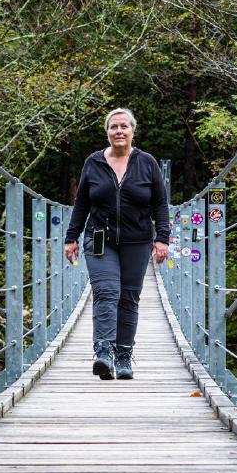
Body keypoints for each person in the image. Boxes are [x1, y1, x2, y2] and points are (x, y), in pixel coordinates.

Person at [64, 108, 170, 380]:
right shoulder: (93, 162)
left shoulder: (146, 162)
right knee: (106, 291)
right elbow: (82, 203)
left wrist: (162, 239)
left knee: (129, 297)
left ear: (133, 131)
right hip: (100, 239)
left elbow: (160, 203)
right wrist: (71, 237)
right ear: (107, 132)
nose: (119, 131)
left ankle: (123, 356)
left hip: (138, 240)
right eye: (114, 127)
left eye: (124, 126)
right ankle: (103, 352)